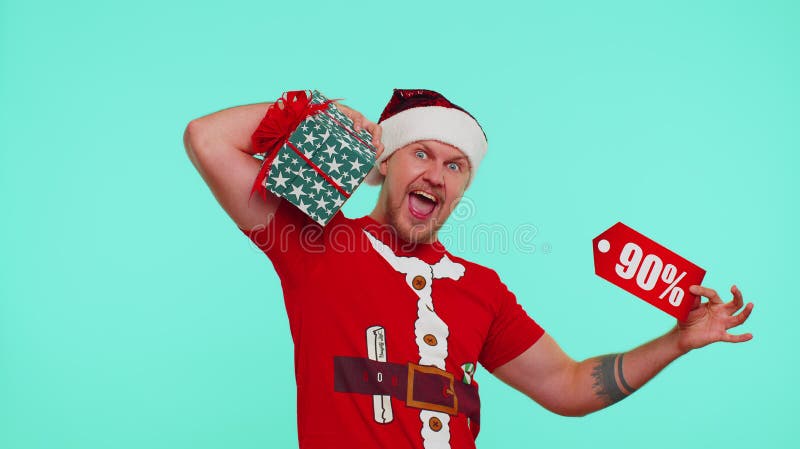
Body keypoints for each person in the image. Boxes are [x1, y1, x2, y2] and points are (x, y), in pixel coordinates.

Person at [183, 89, 754, 449]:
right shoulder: (315, 242)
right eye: (422, 153)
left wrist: (677, 342)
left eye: (455, 165)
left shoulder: (481, 289)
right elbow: (207, 140)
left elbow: (569, 384)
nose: (437, 174)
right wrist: (314, 113)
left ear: (463, 188)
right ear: (386, 162)